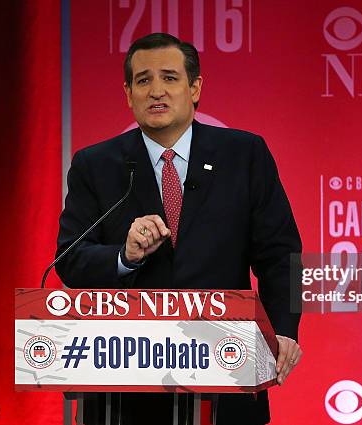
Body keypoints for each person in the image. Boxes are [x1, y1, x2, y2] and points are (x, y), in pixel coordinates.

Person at [56, 32, 302, 425]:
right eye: (143, 80)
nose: (156, 90)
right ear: (127, 93)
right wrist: (124, 256)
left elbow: (280, 254)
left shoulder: (244, 154)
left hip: (228, 371)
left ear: (195, 87)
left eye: (170, 78)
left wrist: (282, 331)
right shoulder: (94, 165)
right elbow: (70, 261)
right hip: (125, 388)